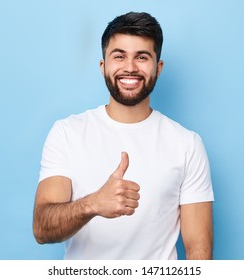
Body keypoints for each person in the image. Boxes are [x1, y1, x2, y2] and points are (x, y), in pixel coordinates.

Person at [33, 12, 214, 260]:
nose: (130, 67)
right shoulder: (67, 133)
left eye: (142, 57)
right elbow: (42, 229)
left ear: (158, 68)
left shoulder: (187, 144)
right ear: (103, 65)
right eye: (119, 56)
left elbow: (198, 250)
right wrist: (94, 203)